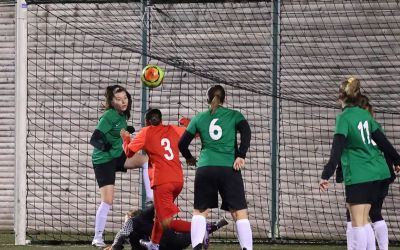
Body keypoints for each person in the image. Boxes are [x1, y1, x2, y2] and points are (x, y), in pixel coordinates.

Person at [319, 77, 400, 250]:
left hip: (359, 175)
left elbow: (336, 150)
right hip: (378, 173)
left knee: (358, 224)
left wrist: (326, 174)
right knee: (363, 222)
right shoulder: (365, 114)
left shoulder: (344, 118)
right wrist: (397, 159)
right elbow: (383, 142)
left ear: (340, 96)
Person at [178, 85, 253, 250]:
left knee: (200, 211)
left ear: (207, 99)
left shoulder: (199, 118)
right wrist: (241, 155)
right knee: (239, 212)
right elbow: (246, 132)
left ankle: (197, 246)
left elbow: (182, 144)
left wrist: (189, 158)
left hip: (205, 169)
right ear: (224, 99)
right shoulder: (234, 115)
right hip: (229, 169)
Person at [90, 85, 152, 247]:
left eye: (125, 98)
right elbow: (95, 138)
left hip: (118, 156)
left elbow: (117, 130)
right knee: (108, 200)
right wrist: (105, 147)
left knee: (145, 161)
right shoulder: (108, 116)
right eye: (118, 99)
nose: (123, 101)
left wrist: (127, 130)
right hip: (103, 160)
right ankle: (97, 237)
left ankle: (150, 200)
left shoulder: (122, 115)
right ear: (111, 101)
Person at [121, 108, 192, 250]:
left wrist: (126, 138)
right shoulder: (172, 128)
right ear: (161, 120)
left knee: (166, 222)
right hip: (178, 180)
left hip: (162, 181)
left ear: (146, 122)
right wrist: (186, 123)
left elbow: (129, 152)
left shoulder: (146, 132)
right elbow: (193, 133)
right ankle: (154, 244)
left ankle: (200, 228)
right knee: (159, 216)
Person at [335, 94, 397, 250]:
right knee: (371, 214)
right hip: (381, 174)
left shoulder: (354, 123)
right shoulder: (374, 125)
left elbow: (345, 149)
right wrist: (393, 164)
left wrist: (338, 171)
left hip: (363, 174)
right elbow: (385, 147)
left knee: (358, 217)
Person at [103, 204, 228, 250]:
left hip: (167, 241)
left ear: (130, 217)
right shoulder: (136, 234)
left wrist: (114, 247)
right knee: (192, 235)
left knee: (184, 231)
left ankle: (207, 228)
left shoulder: (133, 222)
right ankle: (208, 228)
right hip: (172, 243)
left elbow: (121, 234)